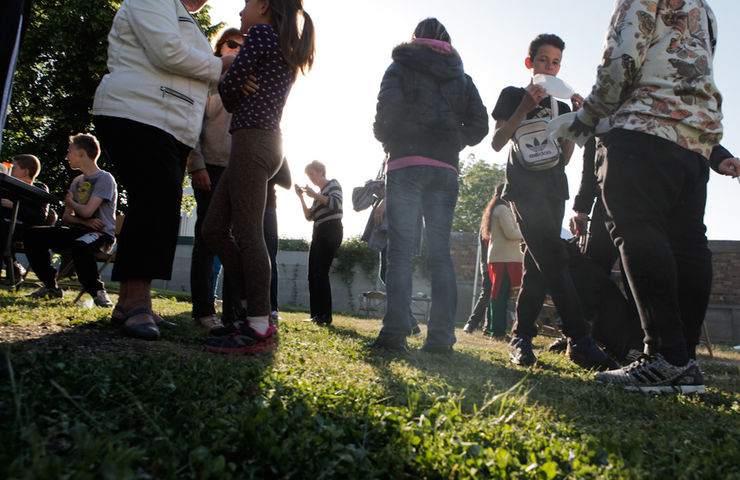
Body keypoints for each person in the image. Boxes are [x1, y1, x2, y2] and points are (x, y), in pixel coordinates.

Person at [551, 1, 740, 393]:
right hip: (695, 138)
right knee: (688, 242)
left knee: (636, 230)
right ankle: (681, 362)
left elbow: (622, 61)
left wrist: (588, 120)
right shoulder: (704, 10)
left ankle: (664, 356)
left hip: (642, 129)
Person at [93, 0, 233, 340]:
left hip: (168, 124)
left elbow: (195, 78)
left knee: (154, 206)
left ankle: (129, 302)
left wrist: (227, 75)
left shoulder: (187, 20)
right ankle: (138, 300)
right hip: (139, 112)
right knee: (155, 203)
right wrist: (222, 64)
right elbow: (166, 52)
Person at [491, 33, 615, 370]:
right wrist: (524, 108)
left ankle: (521, 340)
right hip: (522, 188)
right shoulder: (513, 95)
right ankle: (581, 340)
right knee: (555, 259)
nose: (550, 66)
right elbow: (498, 142)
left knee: (537, 264)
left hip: (554, 188)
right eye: (544, 60)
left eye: (556, 62)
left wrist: (577, 123)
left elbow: (564, 157)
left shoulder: (561, 101)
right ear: (530, 63)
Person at [202, 0, 314, 354]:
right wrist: (236, 82)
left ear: (264, 5)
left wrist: (234, 80)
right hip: (261, 142)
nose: (240, 11)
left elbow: (230, 92)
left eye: (246, 3)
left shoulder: (262, 33)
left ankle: (259, 326)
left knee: (249, 234)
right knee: (213, 229)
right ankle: (246, 311)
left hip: (253, 139)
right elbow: (235, 88)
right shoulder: (280, 41)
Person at [370, 18, 489, 354]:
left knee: (401, 253)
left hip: (405, 164)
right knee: (441, 256)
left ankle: (393, 335)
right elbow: (480, 126)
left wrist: (389, 138)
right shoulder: (461, 78)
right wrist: (452, 141)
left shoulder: (399, 67)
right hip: (444, 169)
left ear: (414, 40)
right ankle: (440, 340)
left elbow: (385, 112)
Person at [187, 27, 244, 330]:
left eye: (243, 47)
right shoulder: (205, 81)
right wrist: (196, 165)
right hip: (209, 167)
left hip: (238, 170)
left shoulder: (250, 82)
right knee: (206, 239)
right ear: (219, 47)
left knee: (235, 241)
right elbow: (192, 124)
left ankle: (233, 313)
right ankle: (203, 310)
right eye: (231, 44)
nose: (236, 50)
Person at [24, 134, 117, 307]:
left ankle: (97, 292)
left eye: (70, 152)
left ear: (82, 153)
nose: (67, 156)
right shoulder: (77, 181)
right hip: (80, 230)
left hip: (100, 234)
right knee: (32, 234)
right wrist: (83, 221)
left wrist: (72, 203)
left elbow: (88, 211)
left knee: (81, 245)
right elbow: (67, 217)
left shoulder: (104, 179)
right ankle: (51, 287)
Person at [295, 161, 343, 326]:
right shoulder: (319, 195)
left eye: (312, 174)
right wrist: (301, 197)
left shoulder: (333, 185)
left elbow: (335, 204)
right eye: (308, 175)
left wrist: (315, 195)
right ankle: (316, 314)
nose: (311, 178)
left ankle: (325, 316)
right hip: (318, 232)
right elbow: (309, 216)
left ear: (321, 172)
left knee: (321, 272)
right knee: (312, 274)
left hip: (331, 230)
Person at [481, 183, 523, 340]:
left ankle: (498, 331)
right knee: (499, 295)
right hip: (505, 259)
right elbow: (511, 233)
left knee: (501, 295)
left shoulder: (498, 209)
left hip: (504, 257)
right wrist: (528, 232)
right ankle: (497, 332)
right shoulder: (502, 209)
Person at [0, 154, 49, 280]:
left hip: (24, 229)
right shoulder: (7, 187)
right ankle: (13, 267)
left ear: (26, 172)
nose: (11, 171)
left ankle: (13, 267)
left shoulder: (38, 189)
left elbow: (40, 216)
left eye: (14, 168)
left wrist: (14, 206)